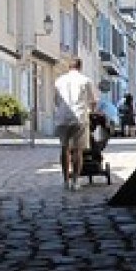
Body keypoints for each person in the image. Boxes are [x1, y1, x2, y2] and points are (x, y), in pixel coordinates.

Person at [54, 57, 97, 191]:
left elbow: (56, 101)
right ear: (80, 67)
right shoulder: (85, 80)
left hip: (62, 118)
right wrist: (91, 111)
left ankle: (65, 180)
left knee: (64, 148)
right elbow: (93, 101)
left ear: (69, 67)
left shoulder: (59, 81)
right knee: (78, 150)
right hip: (79, 117)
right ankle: (75, 181)